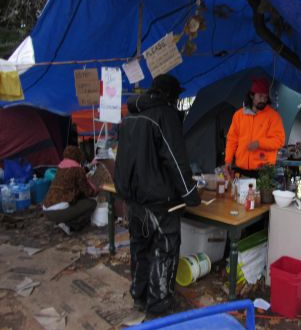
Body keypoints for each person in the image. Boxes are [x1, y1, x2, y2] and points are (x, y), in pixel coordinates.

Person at [114, 74, 200, 316]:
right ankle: (158, 307)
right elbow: (175, 160)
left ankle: (140, 297)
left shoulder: (130, 116)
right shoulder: (165, 115)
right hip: (160, 202)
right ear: (170, 95)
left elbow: (123, 159)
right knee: (164, 253)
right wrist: (191, 193)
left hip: (134, 201)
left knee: (140, 250)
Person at [224, 77, 285, 179]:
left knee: (261, 195)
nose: (263, 100)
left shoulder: (273, 116)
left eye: (265, 97)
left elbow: (279, 141)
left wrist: (259, 143)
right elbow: (232, 140)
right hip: (241, 168)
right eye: (260, 96)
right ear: (252, 95)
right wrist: (228, 160)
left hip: (264, 171)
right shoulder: (239, 115)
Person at [43, 146, 97, 234]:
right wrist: (98, 188)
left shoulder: (61, 167)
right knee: (91, 203)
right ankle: (71, 225)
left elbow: (75, 174)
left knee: (78, 199)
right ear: (78, 156)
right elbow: (89, 192)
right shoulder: (77, 170)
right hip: (57, 211)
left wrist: (90, 165)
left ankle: (62, 221)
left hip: (46, 209)